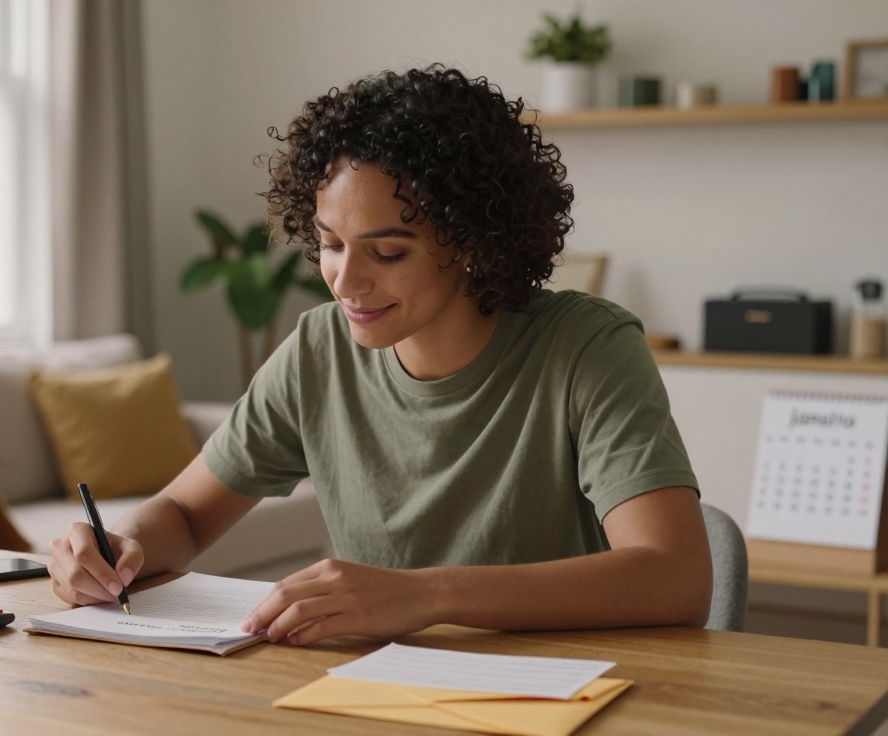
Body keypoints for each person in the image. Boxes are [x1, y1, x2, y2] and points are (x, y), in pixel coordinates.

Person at [47, 64, 711, 647]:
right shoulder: (318, 348)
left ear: (474, 243)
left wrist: (426, 595)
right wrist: (118, 547)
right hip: (373, 689)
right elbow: (187, 516)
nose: (346, 281)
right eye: (332, 244)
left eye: (388, 252)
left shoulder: (585, 348)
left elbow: (675, 577)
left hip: (559, 691)